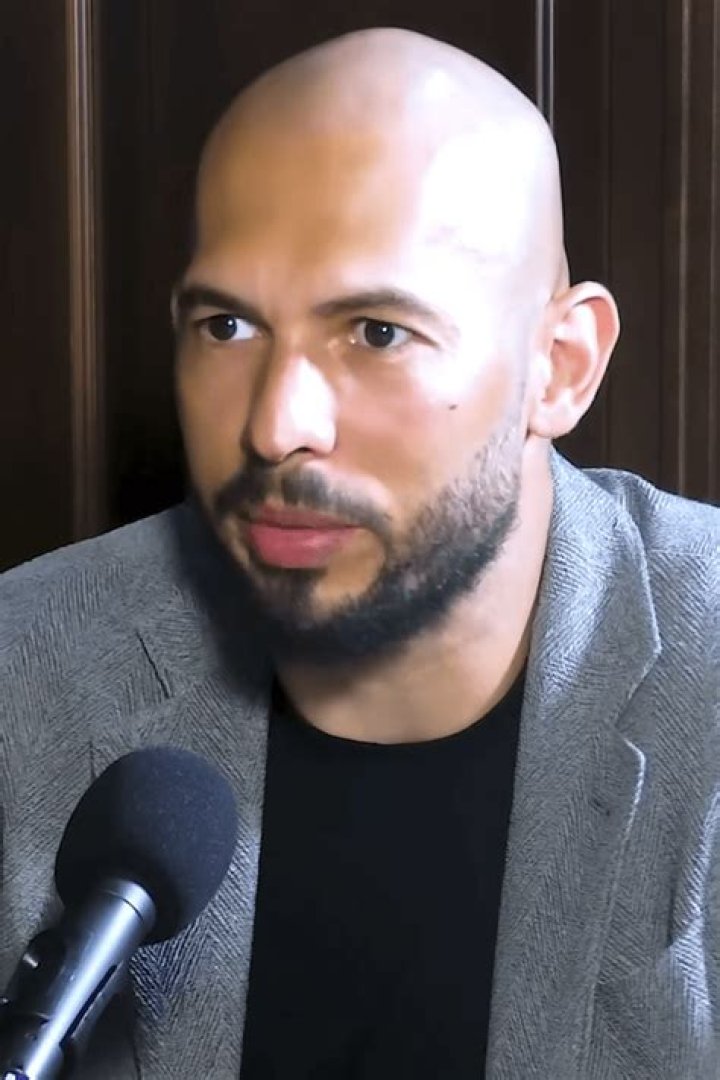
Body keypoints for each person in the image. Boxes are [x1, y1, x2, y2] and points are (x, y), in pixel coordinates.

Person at [0, 26, 717, 1080]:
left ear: (559, 366)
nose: (274, 427)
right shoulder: (26, 664)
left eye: (377, 332)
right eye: (228, 327)